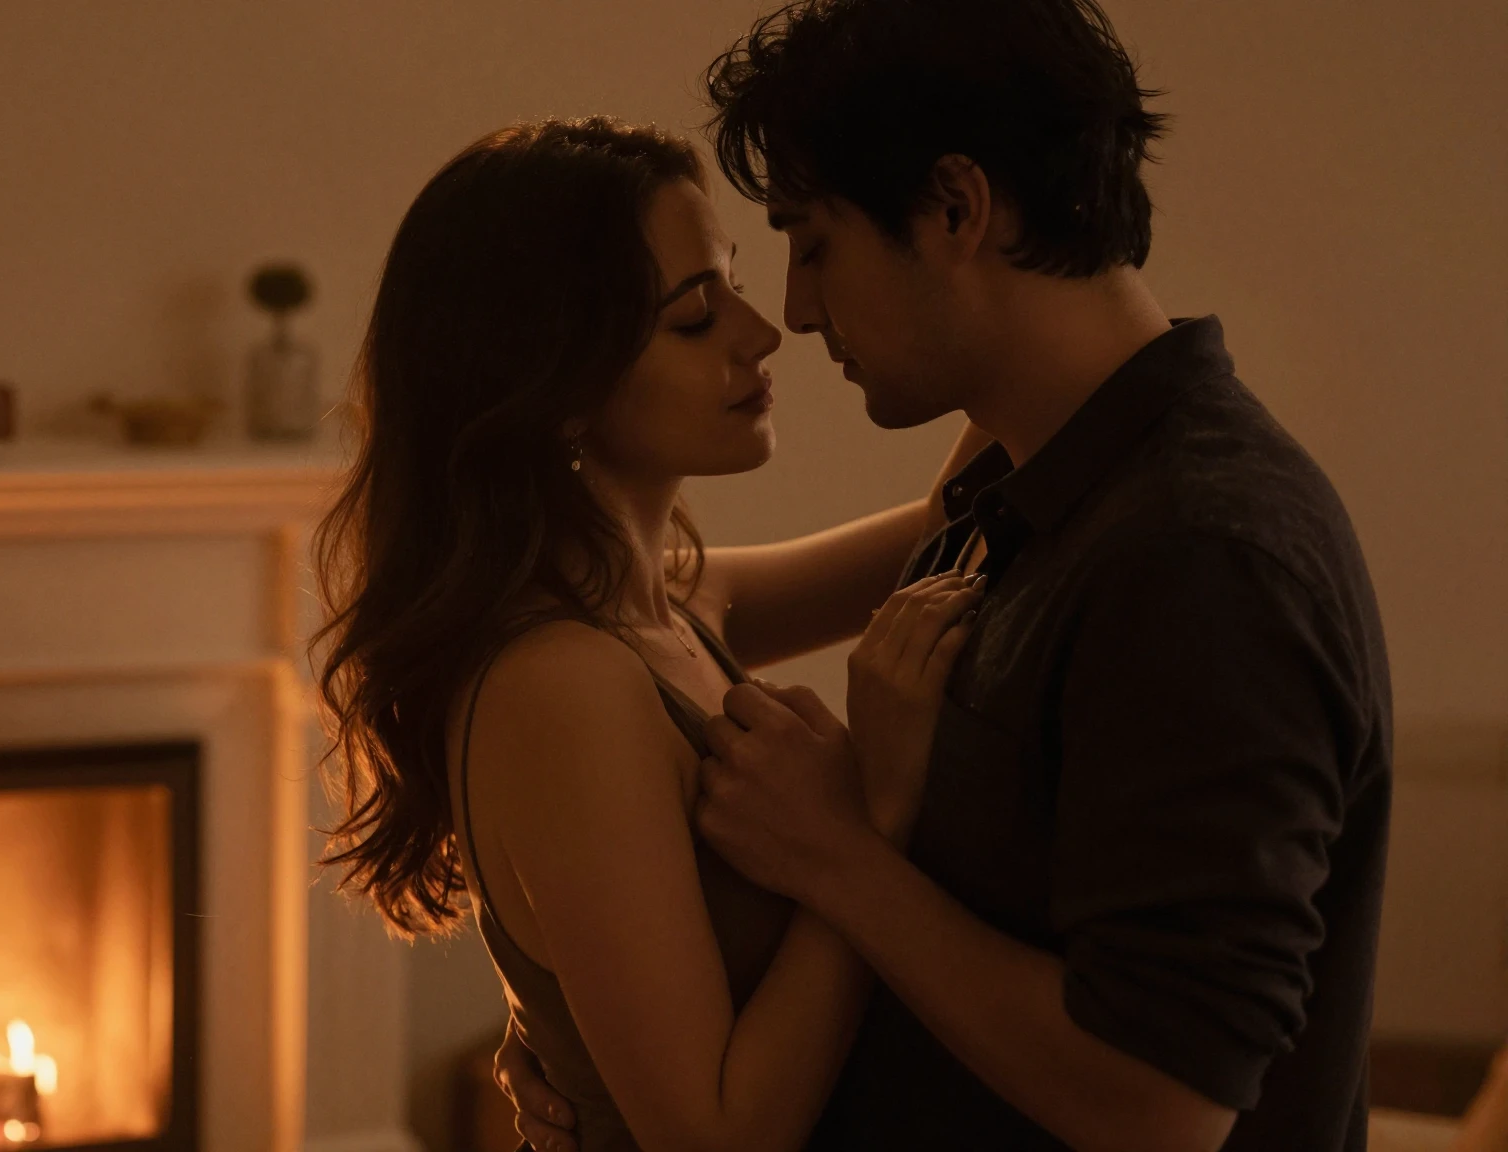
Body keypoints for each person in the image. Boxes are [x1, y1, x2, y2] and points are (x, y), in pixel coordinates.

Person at [495, 2, 1393, 1151]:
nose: (793, 313)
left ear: (956, 208)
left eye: (812, 245)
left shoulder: (1198, 561)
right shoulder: (1018, 489)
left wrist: (843, 857)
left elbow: (1159, 1112)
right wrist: (585, 1037)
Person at [310, 116, 989, 1151]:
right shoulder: (563, 685)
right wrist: (870, 821)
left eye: (734, 285)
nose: (761, 333)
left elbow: (956, 516)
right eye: (694, 317)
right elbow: (713, 1138)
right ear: (555, 386)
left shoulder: (671, 607)